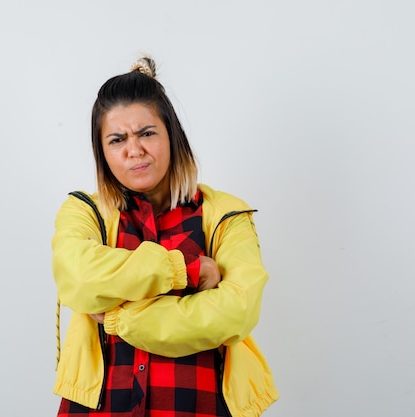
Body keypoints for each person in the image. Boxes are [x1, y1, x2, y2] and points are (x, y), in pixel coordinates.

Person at [52, 56, 278, 417]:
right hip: (100, 407)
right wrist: (184, 270)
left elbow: (235, 311)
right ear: (103, 152)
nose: (134, 150)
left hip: (199, 406)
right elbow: (78, 278)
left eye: (146, 133)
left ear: (172, 134)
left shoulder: (225, 215)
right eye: (117, 139)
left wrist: (116, 319)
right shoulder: (85, 212)